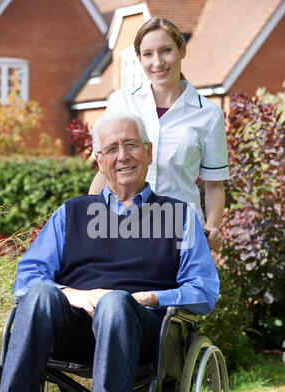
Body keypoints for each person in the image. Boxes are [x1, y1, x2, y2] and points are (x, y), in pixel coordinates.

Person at [0, 113, 219, 392]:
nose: (122, 156)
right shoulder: (72, 213)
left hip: (142, 334)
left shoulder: (179, 216)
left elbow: (203, 289)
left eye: (131, 145)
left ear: (149, 151)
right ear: (99, 161)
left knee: (115, 301)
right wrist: (73, 295)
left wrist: (149, 299)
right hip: (73, 331)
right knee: (39, 293)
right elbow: (26, 276)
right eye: (111, 148)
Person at [89, 17, 229, 252]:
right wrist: (88, 216)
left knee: (175, 290)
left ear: (182, 50)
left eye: (166, 51)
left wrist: (213, 228)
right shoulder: (121, 102)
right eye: (148, 54)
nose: (157, 62)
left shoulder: (209, 114)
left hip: (181, 231)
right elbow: (105, 171)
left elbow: (215, 185)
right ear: (139, 58)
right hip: (123, 226)